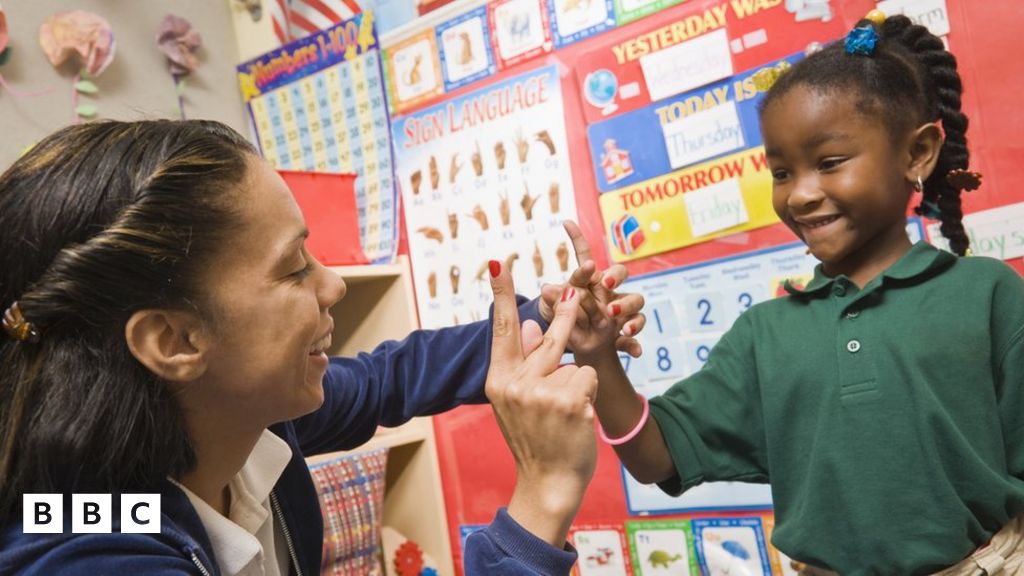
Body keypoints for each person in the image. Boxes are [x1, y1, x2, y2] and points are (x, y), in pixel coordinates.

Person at [0, 120, 643, 575]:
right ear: (174, 341)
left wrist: (554, 319)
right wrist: (543, 495)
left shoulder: (253, 430)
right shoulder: (81, 543)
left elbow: (393, 377)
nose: (333, 284)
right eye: (293, 268)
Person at [569, 12, 1024, 576]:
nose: (801, 194)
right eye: (781, 173)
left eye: (829, 163)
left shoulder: (986, 296)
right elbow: (655, 455)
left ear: (917, 154)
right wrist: (596, 356)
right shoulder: (765, 334)